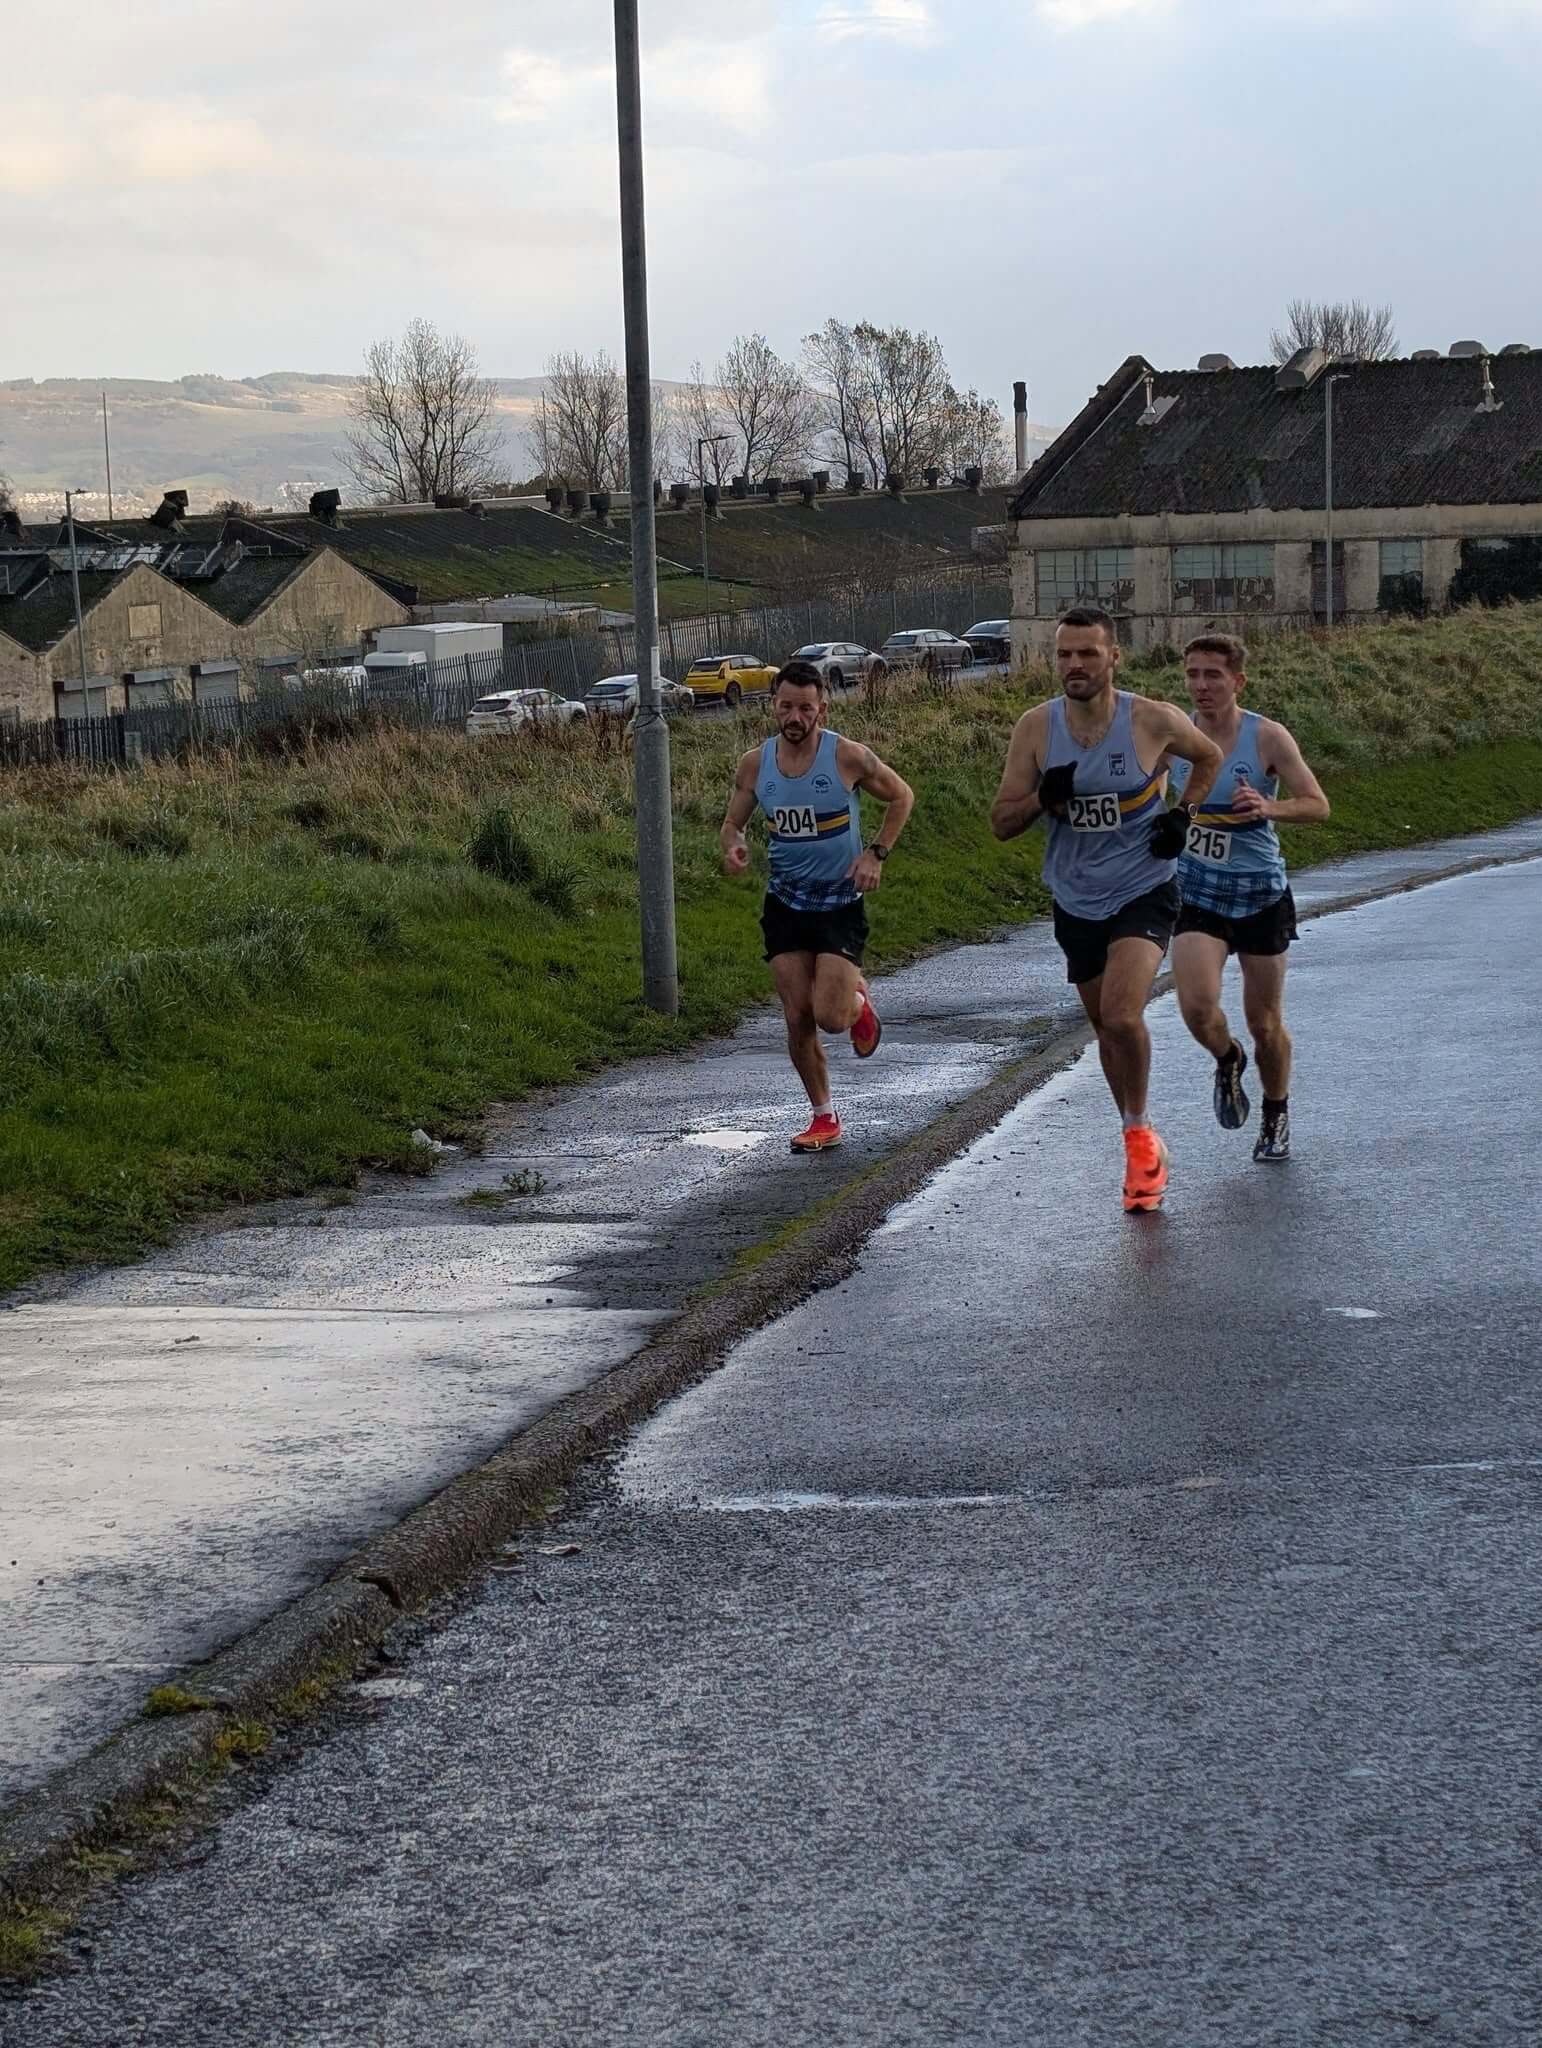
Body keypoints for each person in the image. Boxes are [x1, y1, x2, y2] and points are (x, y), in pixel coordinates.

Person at [990, 606, 1223, 1211]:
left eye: (1087, 653)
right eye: (1064, 654)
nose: (1074, 665)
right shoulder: (1036, 729)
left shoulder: (1151, 719)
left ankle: (1141, 1140)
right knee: (1105, 1029)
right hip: (1076, 897)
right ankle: (1134, 1132)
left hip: (1144, 887)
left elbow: (1208, 757)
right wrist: (1041, 800)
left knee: (1122, 1015)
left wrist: (1183, 815)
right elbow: (1001, 822)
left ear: (1113, 658)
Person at [720, 659, 915, 1152]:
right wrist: (734, 844)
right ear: (773, 705)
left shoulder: (847, 756)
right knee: (797, 1017)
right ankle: (823, 1116)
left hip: (839, 902)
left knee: (830, 1016)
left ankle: (856, 1003)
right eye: (786, 706)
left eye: (805, 709)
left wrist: (876, 853)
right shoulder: (755, 763)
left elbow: (902, 797)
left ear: (821, 711)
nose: (795, 717)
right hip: (785, 902)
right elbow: (732, 822)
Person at [1168, 633, 1330, 1162]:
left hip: (1260, 891)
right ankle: (1227, 1056)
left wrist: (1268, 807)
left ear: (1237, 681)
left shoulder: (1267, 737)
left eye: (1213, 675)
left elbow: (1317, 804)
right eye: (1193, 674)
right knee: (1196, 1006)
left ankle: (1275, 1113)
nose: (1201, 685)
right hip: (1197, 890)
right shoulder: (1175, 735)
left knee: (1265, 1022)